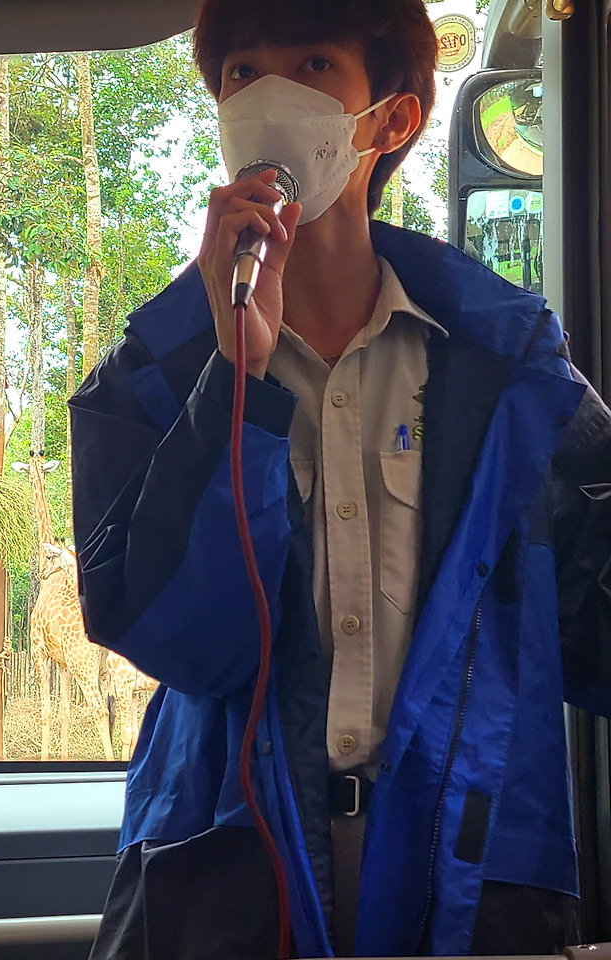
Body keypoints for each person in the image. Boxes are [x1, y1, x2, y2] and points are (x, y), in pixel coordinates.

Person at [70, 1, 611, 957]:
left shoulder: (511, 368)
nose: (270, 98)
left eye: (314, 64)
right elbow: (178, 640)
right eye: (242, 74)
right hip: (224, 876)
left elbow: (595, 626)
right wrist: (234, 376)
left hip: (474, 871)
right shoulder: (149, 377)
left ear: (390, 121)